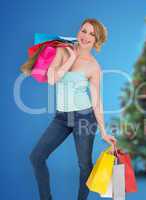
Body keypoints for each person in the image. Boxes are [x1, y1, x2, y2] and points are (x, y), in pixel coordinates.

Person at [29, 18, 117, 200]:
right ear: (79, 31)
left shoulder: (94, 66)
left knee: (85, 165)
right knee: (36, 157)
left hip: (85, 118)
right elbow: (53, 79)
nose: (86, 36)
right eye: (84, 31)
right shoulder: (62, 50)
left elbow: (97, 101)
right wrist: (71, 59)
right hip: (61, 117)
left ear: (96, 40)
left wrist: (103, 131)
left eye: (92, 34)